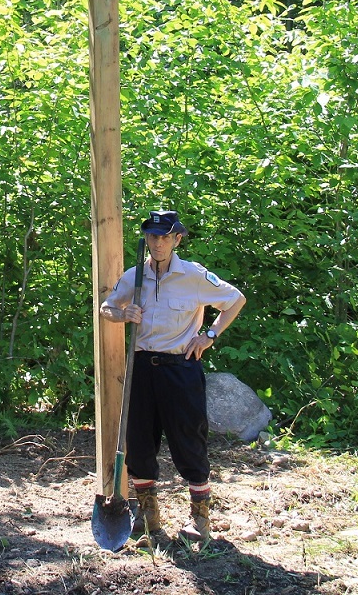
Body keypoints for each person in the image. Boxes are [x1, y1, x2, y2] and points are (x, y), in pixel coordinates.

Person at [99, 209, 246, 545]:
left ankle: (200, 520)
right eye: (152, 236)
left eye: (165, 237)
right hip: (141, 369)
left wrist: (208, 336)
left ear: (177, 239)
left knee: (188, 441)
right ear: (146, 239)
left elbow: (235, 300)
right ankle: (148, 519)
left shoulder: (193, 275)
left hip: (180, 368)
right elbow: (105, 307)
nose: (158, 243)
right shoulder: (135, 276)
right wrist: (123, 313)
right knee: (138, 443)